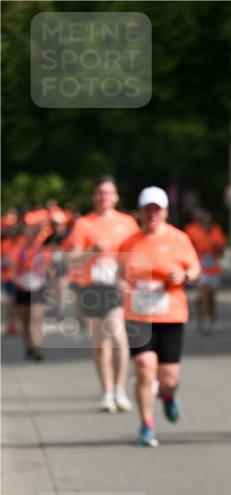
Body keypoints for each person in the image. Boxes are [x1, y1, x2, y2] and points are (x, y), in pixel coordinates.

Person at [117, 186, 200, 447]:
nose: (152, 214)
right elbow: (119, 274)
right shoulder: (129, 243)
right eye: (148, 209)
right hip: (138, 315)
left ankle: (167, 395)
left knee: (169, 377)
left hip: (171, 314)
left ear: (164, 211)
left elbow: (195, 268)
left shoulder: (179, 239)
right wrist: (120, 284)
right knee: (144, 368)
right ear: (141, 211)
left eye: (157, 209)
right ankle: (146, 424)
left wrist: (184, 276)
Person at [65, 176, 139, 412]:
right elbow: (71, 258)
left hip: (116, 286)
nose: (104, 197)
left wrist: (130, 277)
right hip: (93, 286)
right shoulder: (84, 224)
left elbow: (137, 253)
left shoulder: (127, 223)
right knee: (100, 343)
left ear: (116, 196)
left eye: (108, 193)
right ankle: (107, 391)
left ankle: (120, 389)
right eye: (100, 193)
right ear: (94, 196)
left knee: (117, 335)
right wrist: (90, 251)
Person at [11, 218, 51, 360]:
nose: (30, 237)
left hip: (37, 286)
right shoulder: (18, 250)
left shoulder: (42, 250)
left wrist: (43, 281)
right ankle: (28, 345)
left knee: (36, 319)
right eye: (27, 235)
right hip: (22, 287)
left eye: (32, 235)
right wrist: (17, 281)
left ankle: (37, 346)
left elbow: (48, 269)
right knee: (25, 320)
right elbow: (13, 269)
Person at [184, 209, 227, 333]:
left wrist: (216, 247)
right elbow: (187, 247)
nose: (205, 223)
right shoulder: (192, 230)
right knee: (204, 293)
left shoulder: (216, 231)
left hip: (214, 269)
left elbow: (222, 251)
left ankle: (210, 314)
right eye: (203, 221)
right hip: (200, 269)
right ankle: (204, 320)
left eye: (208, 221)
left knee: (210, 297)